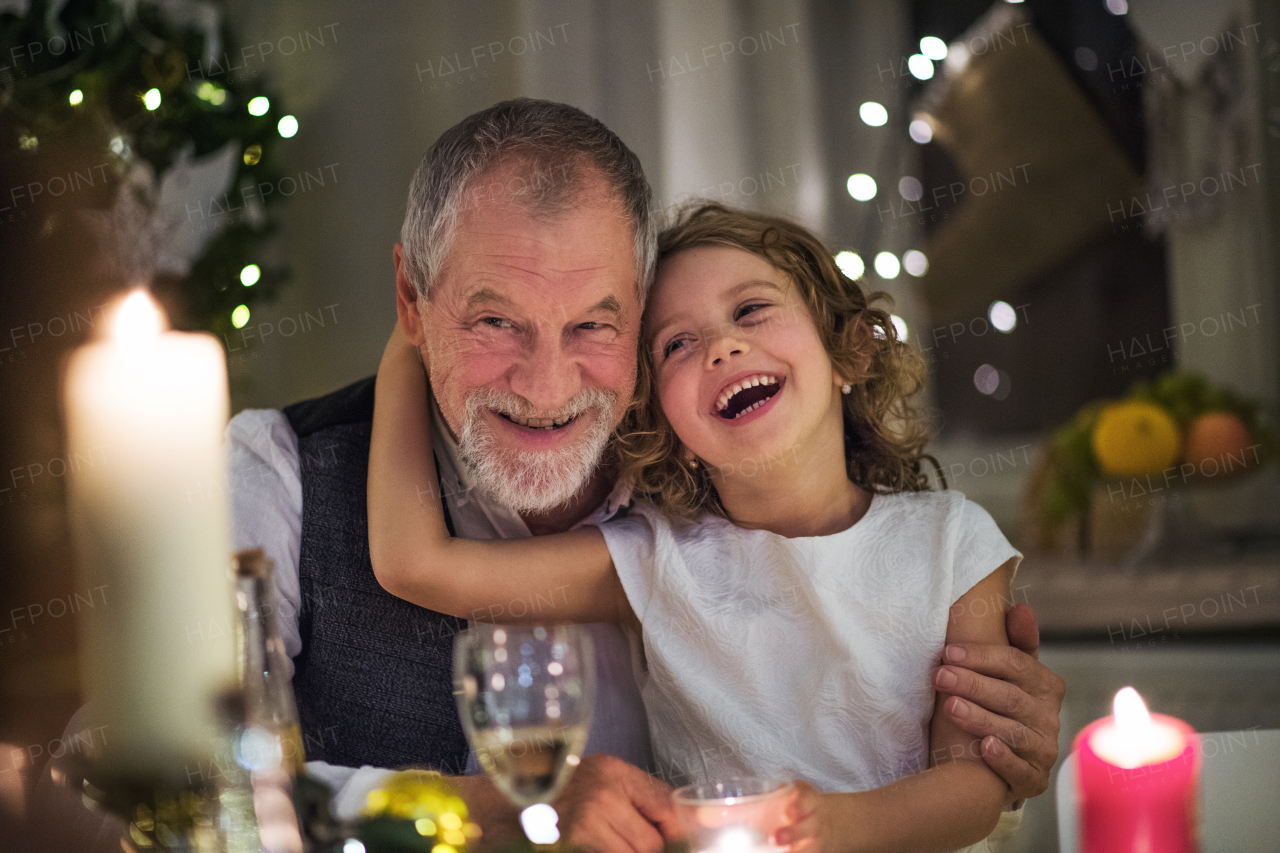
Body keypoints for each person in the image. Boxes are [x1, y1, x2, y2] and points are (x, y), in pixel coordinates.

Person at [227, 99, 1064, 851]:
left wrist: (996, 751)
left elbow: (983, 771)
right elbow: (171, 788)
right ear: (412, 299)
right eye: (493, 320)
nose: (548, 386)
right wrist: (497, 809)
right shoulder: (280, 472)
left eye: (594, 323)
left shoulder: (867, 524)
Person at [367, 201, 1033, 853]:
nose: (722, 346)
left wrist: (830, 829)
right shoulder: (652, 562)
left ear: (850, 351)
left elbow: (976, 781)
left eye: (750, 309)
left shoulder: (953, 542)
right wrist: (410, 338)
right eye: (678, 344)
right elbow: (415, 563)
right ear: (667, 428)